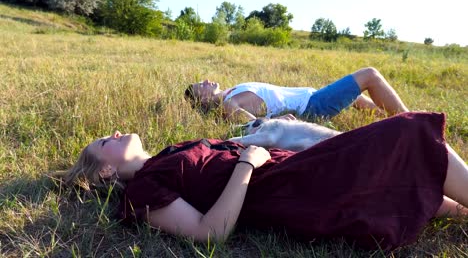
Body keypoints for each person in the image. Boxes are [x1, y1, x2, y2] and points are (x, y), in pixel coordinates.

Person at [61, 112, 468, 250]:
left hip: (297, 167)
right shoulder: (141, 191)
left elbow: (228, 149)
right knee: (409, 132)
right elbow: (210, 234)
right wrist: (247, 165)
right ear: (105, 171)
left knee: (427, 182)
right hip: (290, 188)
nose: (114, 132)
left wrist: (263, 143)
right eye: (104, 141)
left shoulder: (170, 152)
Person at [184, 67, 409, 121]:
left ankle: (388, 119)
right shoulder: (229, 103)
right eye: (200, 86)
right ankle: (414, 121)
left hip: (312, 97)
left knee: (359, 99)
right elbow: (252, 125)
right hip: (312, 106)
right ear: (202, 100)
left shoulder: (231, 91)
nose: (205, 81)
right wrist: (276, 122)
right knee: (369, 75)